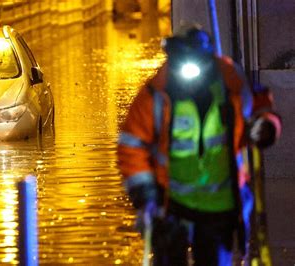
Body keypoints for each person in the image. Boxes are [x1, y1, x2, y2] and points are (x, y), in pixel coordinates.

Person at [117, 25, 282, 266]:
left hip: (220, 207)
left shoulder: (230, 82)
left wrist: (265, 127)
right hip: (170, 207)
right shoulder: (157, 92)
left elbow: (260, 107)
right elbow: (132, 146)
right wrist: (145, 196)